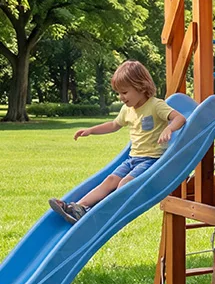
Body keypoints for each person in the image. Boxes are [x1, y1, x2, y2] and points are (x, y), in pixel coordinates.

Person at [49, 60, 186, 224]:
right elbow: (114, 125)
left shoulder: (156, 105)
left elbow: (180, 118)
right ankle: (78, 207)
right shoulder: (127, 109)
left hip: (151, 160)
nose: (121, 97)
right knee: (110, 180)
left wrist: (169, 129)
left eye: (125, 92)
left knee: (124, 184)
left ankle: (96, 214)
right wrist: (91, 130)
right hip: (132, 159)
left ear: (141, 87)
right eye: (119, 93)